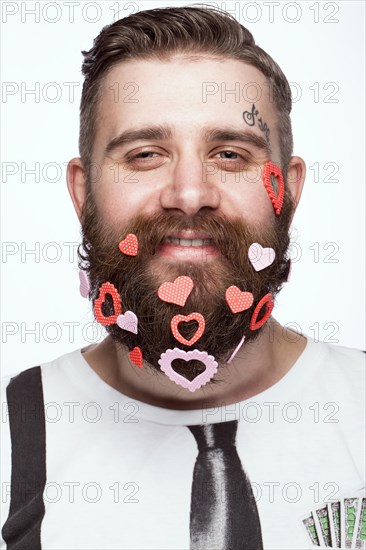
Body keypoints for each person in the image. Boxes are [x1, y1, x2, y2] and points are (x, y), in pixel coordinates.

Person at [1, 5, 364, 550]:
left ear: (287, 190)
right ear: (84, 194)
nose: (190, 194)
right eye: (146, 154)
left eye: (230, 154)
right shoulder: (9, 437)